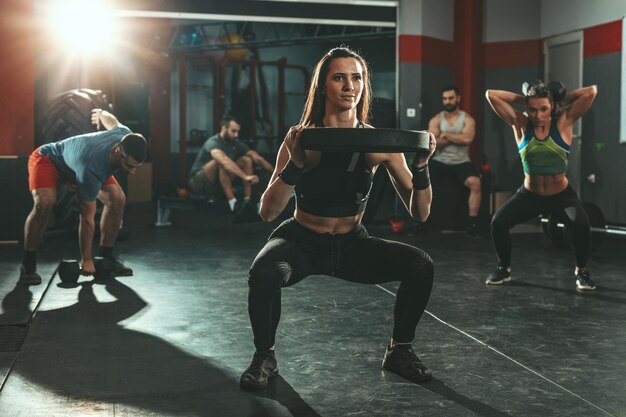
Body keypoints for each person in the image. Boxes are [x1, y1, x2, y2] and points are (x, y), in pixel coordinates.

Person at [239, 46, 437, 391]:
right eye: (340, 77)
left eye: (357, 77)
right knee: (264, 272)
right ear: (323, 86)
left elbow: (420, 212)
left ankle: (399, 351)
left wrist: (421, 170)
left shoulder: (378, 142)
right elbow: (267, 211)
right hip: (302, 240)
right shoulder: (301, 137)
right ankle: (264, 356)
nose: (350, 86)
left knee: (420, 264)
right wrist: (296, 163)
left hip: (352, 244)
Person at [485, 81, 598, 291]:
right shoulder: (520, 124)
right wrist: (523, 99)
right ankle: (504, 268)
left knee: (582, 226)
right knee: (498, 223)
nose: (538, 115)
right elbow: (491, 94)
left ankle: (581, 271)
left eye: (544, 109)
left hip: (561, 196)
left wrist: (561, 99)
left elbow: (591, 92)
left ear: (552, 108)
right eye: (533, 109)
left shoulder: (563, 122)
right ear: (527, 109)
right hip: (530, 195)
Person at [19, 109, 147, 285]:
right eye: (129, 166)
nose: (132, 172)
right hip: (49, 160)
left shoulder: (125, 135)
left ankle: (106, 258)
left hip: (79, 164)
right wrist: (86, 259)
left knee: (117, 198)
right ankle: (28, 264)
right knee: (45, 202)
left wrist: (101, 113)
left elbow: (112, 120)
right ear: (118, 152)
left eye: (136, 167)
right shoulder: (91, 166)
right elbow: (86, 218)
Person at [187, 115, 274, 212]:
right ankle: (232, 202)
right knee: (221, 162)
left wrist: (276, 174)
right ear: (224, 128)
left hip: (218, 183)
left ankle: (247, 201)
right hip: (198, 182)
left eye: (237, 131)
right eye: (233, 131)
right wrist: (245, 177)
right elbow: (224, 161)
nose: (236, 135)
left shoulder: (235, 142)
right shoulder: (213, 142)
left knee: (247, 160)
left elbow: (257, 158)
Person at [427, 85, 481, 235]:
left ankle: (472, 225)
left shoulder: (467, 119)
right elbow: (433, 143)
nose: (448, 101)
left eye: (451, 98)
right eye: (445, 99)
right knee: (420, 182)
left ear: (458, 98)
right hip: (440, 161)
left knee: (475, 183)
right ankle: (421, 223)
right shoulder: (436, 119)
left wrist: (446, 135)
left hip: (461, 162)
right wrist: (457, 137)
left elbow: (468, 138)